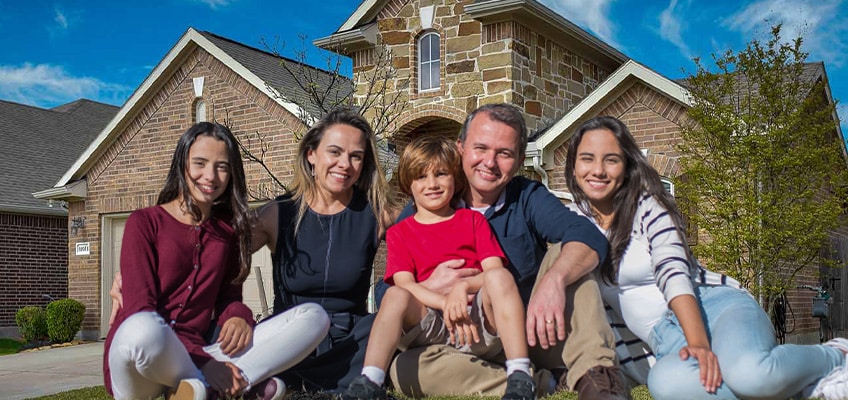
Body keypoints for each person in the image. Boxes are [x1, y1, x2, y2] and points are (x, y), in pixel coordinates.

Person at [563, 115, 848, 400]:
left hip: (712, 306)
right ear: (573, 166)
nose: (598, 170)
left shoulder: (648, 205)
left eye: (611, 159)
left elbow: (673, 272)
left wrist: (697, 342)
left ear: (627, 165)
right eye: (587, 159)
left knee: (751, 375)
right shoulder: (572, 221)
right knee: (664, 384)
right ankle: (793, 388)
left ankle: (836, 356)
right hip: (664, 340)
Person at [387, 104, 627, 400]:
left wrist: (554, 280)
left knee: (568, 253)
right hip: (455, 342)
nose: (490, 162)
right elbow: (391, 291)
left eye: (504, 153)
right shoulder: (419, 213)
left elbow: (589, 237)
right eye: (481, 148)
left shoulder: (527, 197)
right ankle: (542, 383)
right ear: (461, 148)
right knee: (403, 370)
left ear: (519, 161)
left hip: (528, 334)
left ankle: (598, 378)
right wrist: (428, 288)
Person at [104, 122, 330, 400]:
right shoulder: (144, 222)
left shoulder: (227, 232)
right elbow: (140, 309)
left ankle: (198, 389)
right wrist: (205, 364)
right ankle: (223, 383)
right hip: (141, 363)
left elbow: (228, 296)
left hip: (200, 350)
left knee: (314, 317)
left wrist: (237, 316)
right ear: (181, 164)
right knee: (141, 328)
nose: (210, 176)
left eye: (222, 166)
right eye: (199, 163)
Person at [345, 136, 536, 400]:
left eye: (441, 174)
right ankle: (370, 381)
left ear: (455, 179)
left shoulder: (472, 221)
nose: (432, 184)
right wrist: (444, 303)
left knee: (501, 277)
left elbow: (493, 271)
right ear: (408, 184)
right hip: (430, 325)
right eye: (421, 177)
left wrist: (463, 287)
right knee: (395, 295)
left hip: (476, 321)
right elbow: (405, 284)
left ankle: (520, 376)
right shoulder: (400, 232)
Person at [251, 108, 396, 393]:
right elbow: (221, 257)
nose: (345, 164)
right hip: (291, 338)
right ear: (311, 155)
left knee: (383, 325)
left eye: (356, 156)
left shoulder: (378, 214)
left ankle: (285, 383)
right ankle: (313, 380)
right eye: (335, 152)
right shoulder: (276, 214)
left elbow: (428, 237)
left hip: (351, 341)